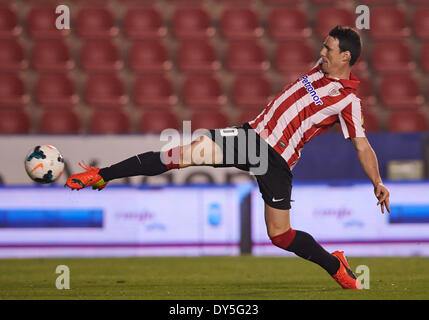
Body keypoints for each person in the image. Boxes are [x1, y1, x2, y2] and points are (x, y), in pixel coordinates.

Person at [66, 25, 390, 290]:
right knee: (179, 155)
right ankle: (102, 174)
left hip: (276, 160)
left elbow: (361, 145)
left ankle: (335, 265)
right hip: (249, 138)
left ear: (346, 56)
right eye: (323, 46)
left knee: (280, 235)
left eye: (329, 49)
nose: (321, 53)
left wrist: (377, 182)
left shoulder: (348, 101)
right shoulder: (318, 71)